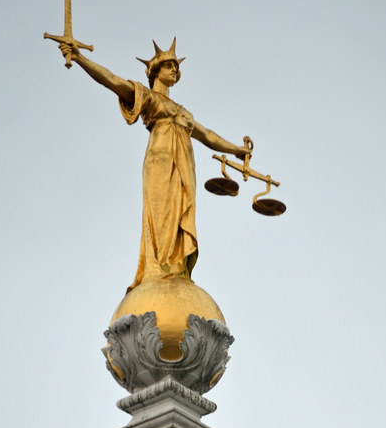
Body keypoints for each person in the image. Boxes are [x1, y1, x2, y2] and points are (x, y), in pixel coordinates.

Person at [58, 38, 248, 289]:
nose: (174, 70)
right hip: (160, 160)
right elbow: (112, 80)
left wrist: (236, 150)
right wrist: (81, 58)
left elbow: (208, 135)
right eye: (169, 66)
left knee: (181, 211)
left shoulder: (183, 112)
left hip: (184, 165)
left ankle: (176, 266)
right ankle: (157, 268)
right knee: (161, 215)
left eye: (176, 67)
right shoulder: (146, 96)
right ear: (155, 71)